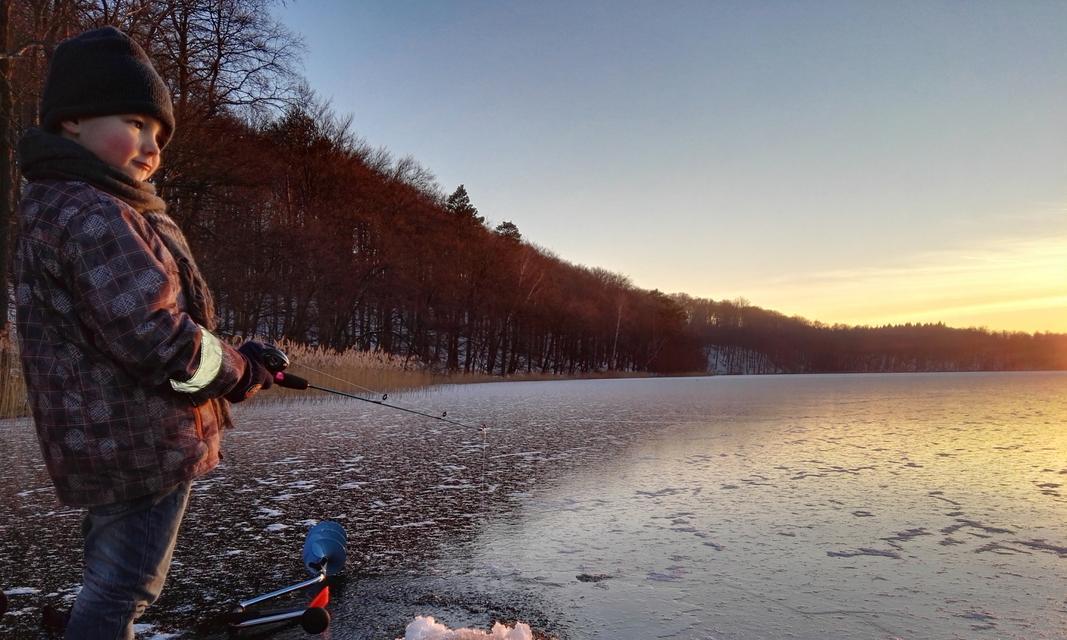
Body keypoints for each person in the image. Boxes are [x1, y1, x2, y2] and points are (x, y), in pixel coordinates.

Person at [13, 26, 275, 639]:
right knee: (126, 586)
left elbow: (138, 317)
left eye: (159, 135)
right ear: (71, 121)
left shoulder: (78, 202)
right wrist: (237, 370)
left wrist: (237, 357)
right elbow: (156, 336)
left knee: (114, 574)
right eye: (135, 121)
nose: (151, 146)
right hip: (137, 445)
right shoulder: (92, 212)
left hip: (113, 442)